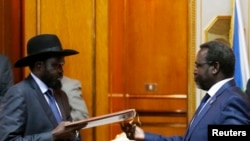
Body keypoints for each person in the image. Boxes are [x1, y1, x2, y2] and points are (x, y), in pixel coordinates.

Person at [120, 40, 250, 141]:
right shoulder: (213, 99)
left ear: (215, 67)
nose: (194, 71)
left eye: (198, 65)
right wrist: (143, 136)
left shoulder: (233, 100)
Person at [0, 34, 86, 141]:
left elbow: (71, 135)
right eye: (55, 65)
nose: (61, 71)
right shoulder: (19, 93)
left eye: (62, 65)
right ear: (39, 66)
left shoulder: (61, 95)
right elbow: (8, 139)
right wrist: (52, 136)